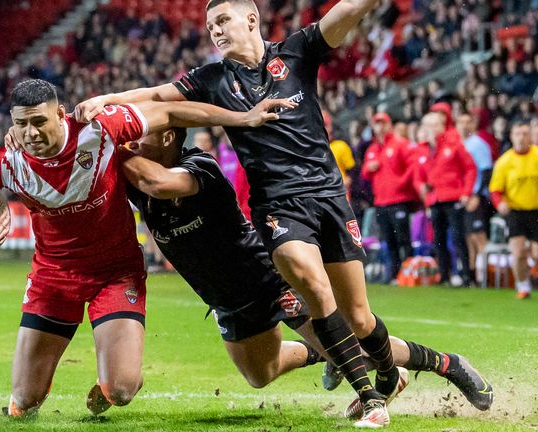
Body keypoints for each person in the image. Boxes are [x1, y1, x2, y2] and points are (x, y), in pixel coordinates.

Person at [74, 0, 403, 427]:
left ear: (252, 19)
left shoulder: (296, 52)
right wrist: (107, 99)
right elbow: (157, 96)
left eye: (223, 20)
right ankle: (355, 368)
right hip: (271, 216)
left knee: (353, 315)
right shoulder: (212, 79)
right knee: (260, 372)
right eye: (210, 25)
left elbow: (345, 15)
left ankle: (406, 375)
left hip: (314, 206)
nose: (215, 30)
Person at [0, 79, 293, 418]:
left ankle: (121, 377)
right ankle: (33, 397)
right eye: (21, 124)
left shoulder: (99, 129)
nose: (30, 133)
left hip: (116, 274)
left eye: (39, 121)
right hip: (53, 278)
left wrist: (241, 119)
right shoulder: (5, 163)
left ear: (60, 113)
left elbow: (170, 111)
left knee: (121, 389)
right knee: (24, 400)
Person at [116, 126, 492, 414]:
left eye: (138, 138)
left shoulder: (200, 167)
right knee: (259, 375)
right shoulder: (139, 182)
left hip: (265, 276)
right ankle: (324, 355)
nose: (132, 144)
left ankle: (449, 364)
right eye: (128, 141)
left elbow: (157, 181)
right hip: (226, 299)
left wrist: (110, 148)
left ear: (168, 137)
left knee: (352, 344)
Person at [413, 112, 477, 286]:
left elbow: (470, 168)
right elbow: (418, 176)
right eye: (428, 126)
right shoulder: (422, 149)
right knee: (438, 239)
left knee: (458, 237)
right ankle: (444, 275)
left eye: (434, 125)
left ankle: (466, 276)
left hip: (453, 196)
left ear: (442, 126)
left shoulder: (453, 144)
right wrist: (421, 187)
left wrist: (466, 192)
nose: (431, 129)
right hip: (434, 199)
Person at [361, 113, 417, 284]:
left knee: (403, 239)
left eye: (383, 123)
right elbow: (364, 173)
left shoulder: (400, 144)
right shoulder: (373, 149)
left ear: (389, 124)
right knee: (389, 240)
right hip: (381, 201)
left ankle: (408, 273)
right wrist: (369, 168)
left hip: (399, 199)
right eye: (377, 124)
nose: (380, 127)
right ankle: (394, 274)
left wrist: (401, 182)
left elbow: (412, 165)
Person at [489, 122, 538, 299]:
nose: (521, 138)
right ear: (511, 136)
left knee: (536, 252)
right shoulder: (505, 161)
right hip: (516, 212)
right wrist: (499, 203)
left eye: (525, 134)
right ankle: (523, 286)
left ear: (530, 136)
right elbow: (495, 190)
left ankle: (531, 269)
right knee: (517, 253)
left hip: (536, 211)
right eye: (518, 134)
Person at [456, 111, 493, 284]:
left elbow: (486, 171)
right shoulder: (458, 144)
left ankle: (488, 274)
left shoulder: (478, 144)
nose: (464, 126)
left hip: (476, 197)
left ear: (473, 125)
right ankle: (473, 275)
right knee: (468, 237)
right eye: (460, 122)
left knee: (478, 236)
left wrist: (477, 195)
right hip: (463, 196)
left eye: (467, 123)